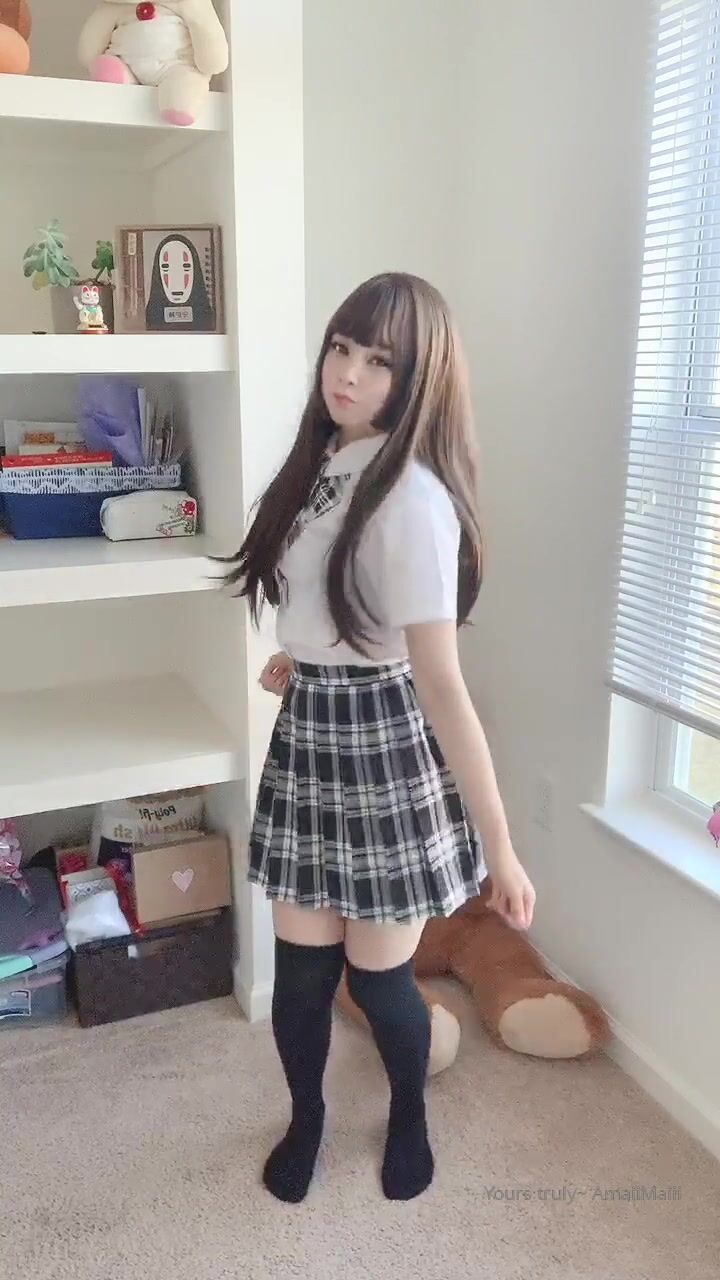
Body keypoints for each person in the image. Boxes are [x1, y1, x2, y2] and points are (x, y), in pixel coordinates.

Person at [223, 271, 535, 1205]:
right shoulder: (326, 461)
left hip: (386, 751)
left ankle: (408, 1114)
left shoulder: (413, 499)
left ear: (418, 380)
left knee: (380, 978)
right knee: (301, 976)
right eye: (342, 347)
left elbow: (440, 684)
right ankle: (307, 1118)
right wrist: (305, 658)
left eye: (378, 361)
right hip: (310, 733)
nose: (348, 373)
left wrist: (501, 848)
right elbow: (335, 600)